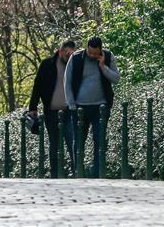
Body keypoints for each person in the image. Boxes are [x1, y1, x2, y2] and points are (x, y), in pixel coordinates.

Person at [64, 36, 119, 178]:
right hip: (79, 108)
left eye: (96, 53)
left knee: (99, 141)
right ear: (86, 48)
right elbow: (67, 81)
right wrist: (71, 105)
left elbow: (116, 78)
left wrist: (103, 66)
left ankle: (97, 173)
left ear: (100, 50)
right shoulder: (76, 58)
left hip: (101, 107)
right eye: (90, 52)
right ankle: (78, 172)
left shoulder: (108, 57)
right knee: (79, 141)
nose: (93, 55)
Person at [27, 40, 77, 178]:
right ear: (60, 52)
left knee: (72, 141)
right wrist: (33, 107)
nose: (70, 57)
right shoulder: (47, 64)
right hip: (51, 111)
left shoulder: (75, 64)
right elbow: (37, 86)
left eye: (72, 54)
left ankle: (77, 172)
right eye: (67, 54)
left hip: (69, 111)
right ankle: (55, 175)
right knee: (54, 144)